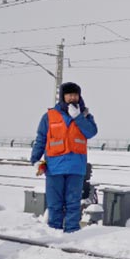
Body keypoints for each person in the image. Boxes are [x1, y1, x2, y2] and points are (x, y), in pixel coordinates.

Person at [30, 82, 98, 233]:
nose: (73, 97)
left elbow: (91, 132)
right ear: (63, 96)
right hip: (55, 167)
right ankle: (54, 232)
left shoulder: (85, 115)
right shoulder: (49, 116)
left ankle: (72, 233)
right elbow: (41, 138)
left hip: (76, 167)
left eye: (75, 94)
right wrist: (35, 160)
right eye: (69, 95)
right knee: (54, 203)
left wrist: (78, 117)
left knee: (73, 203)